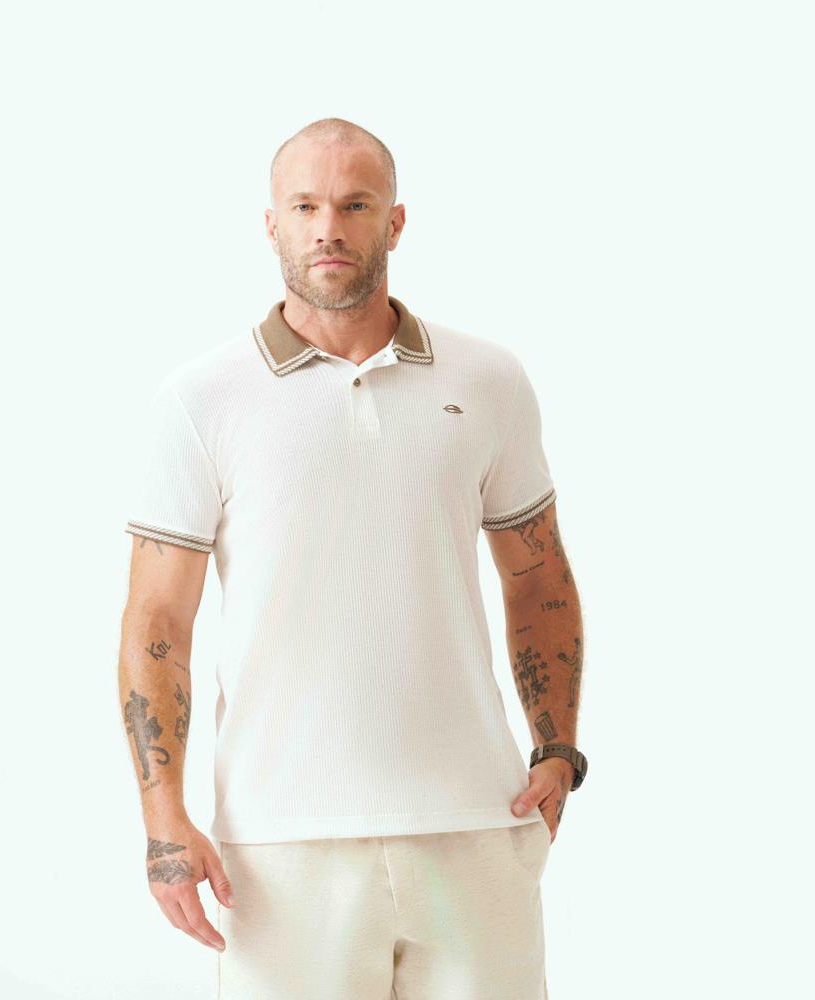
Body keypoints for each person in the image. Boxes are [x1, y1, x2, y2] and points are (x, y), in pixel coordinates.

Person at [117, 116, 588, 999]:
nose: (327, 227)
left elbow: (537, 575)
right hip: (280, 849)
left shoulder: (488, 380)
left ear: (395, 222)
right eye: (305, 206)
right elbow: (158, 621)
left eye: (354, 205)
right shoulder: (201, 400)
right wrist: (163, 819)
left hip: (477, 826)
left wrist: (558, 748)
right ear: (272, 225)